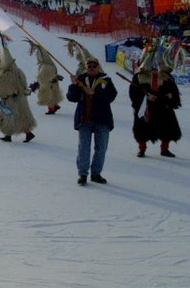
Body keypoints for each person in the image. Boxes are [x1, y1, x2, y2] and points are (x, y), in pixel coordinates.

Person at [66, 57, 117, 185]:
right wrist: (73, 85)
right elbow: (72, 98)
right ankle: (82, 174)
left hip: (102, 119)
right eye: (89, 66)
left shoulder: (105, 80)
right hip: (85, 119)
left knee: (101, 148)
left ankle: (96, 173)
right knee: (83, 147)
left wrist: (96, 93)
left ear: (98, 67)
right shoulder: (80, 80)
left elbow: (111, 96)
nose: (92, 68)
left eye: (94, 66)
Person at [129, 40, 182, 157]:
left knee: (168, 128)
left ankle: (164, 149)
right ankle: (142, 149)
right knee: (142, 129)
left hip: (163, 106)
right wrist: (145, 97)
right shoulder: (139, 77)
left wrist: (170, 98)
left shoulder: (166, 77)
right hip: (145, 107)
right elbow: (133, 93)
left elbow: (173, 92)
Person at [0, 34, 37, 143]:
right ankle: (24, 134)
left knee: (9, 117)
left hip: (11, 100)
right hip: (21, 99)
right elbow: (23, 83)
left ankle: (11, 135)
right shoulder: (19, 72)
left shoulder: (6, 75)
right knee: (20, 117)